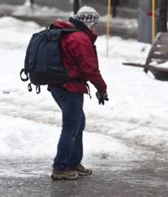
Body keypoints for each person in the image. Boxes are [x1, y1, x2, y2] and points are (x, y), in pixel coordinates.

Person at [48, 6, 108, 180]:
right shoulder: (79, 38)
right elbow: (90, 69)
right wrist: (102, 89)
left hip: (59, 86)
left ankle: (73, 162)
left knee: (78, 123)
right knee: (71, 127)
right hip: (70, 87)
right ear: (88, 22)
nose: (95, 29)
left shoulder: (67, 32)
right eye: (94, 24)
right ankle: (60, 167)